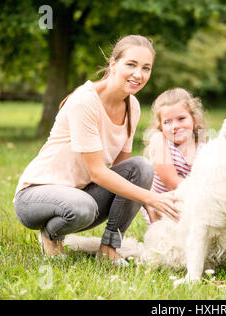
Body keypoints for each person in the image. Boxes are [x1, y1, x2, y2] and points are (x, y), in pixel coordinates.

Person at [13, 35, 178, 265]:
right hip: (35, 196)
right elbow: (97, 173)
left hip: (81, 195)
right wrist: (151, 198)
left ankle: (109, 248)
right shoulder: (85, 101)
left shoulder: (133, 106)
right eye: (131, 64)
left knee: (142, 167)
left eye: (146, 68)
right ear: (113, 64)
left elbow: (123, 172)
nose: (138, 74)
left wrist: (144, 199)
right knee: (83, 207)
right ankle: (51, 234)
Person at [141, 88, 206, 224]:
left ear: (193, 118)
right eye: (167, 122)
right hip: (165, 210)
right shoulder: (159, 140)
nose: (175, 126)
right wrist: (207, 194)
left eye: (181, 119)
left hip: (193, 204)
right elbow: (172, 182)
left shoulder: (201, 145)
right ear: (160, 125)